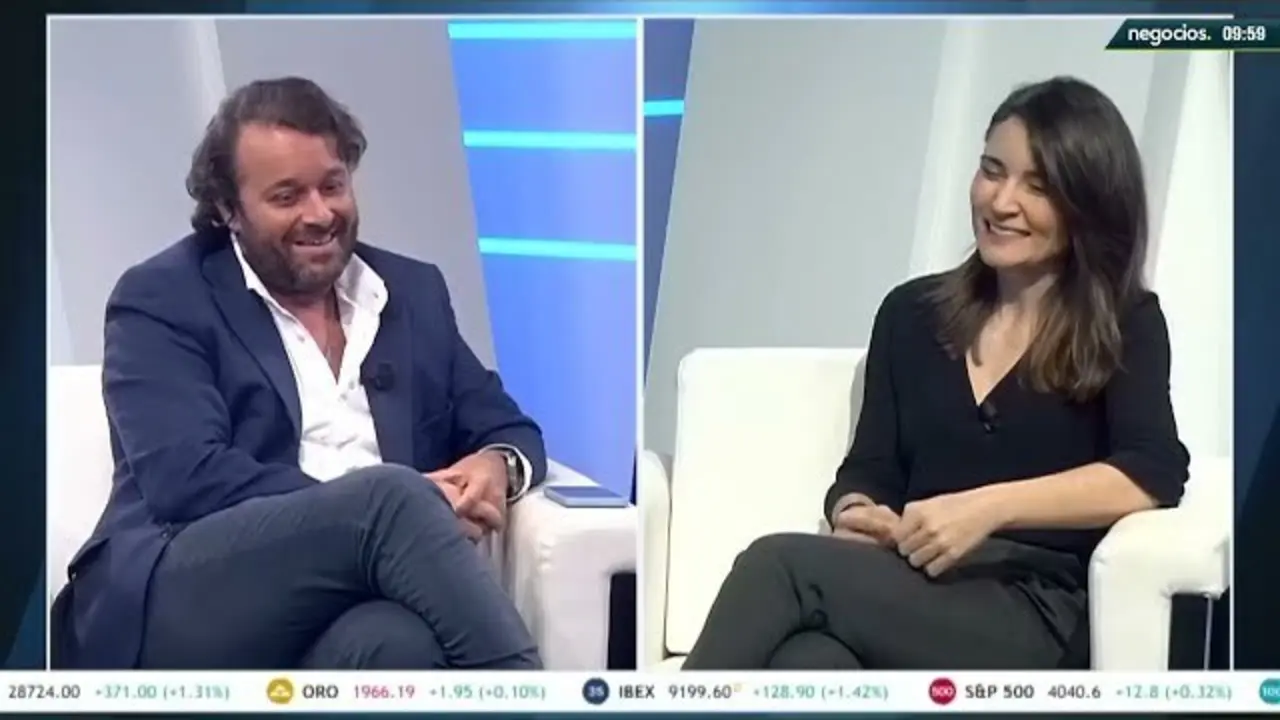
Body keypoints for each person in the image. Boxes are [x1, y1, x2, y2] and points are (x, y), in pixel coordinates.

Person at [681, 76, 1190, 670]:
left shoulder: (1125, 321)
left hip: (1038, 611)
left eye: (1038, 186)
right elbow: (871, 468)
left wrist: (990, 508)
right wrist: (857, 511)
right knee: (811, 660)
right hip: (917, 585)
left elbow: (1151, 471)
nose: (1001, 202)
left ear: (1087, 205)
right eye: (992, 171)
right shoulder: (912, 314)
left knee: (778, 566)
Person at [52, 77, 547, 670]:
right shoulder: (162, 297)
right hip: (180, 592)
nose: (319, 214)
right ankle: (527, 694)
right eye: (287, 197)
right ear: (228, 209)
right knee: (391, 498)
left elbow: (507, 427)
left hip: (346, 599)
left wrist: (495, 465)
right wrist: (376, 516)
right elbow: (185, 477)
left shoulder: (410, 292)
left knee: (396, 644)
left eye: (332, 186)